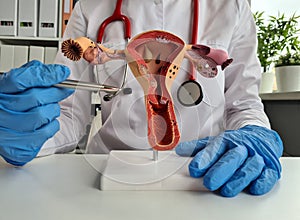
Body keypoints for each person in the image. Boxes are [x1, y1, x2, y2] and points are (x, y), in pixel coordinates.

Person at [0, 0, 283, 197]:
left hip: (203, 173)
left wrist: (253, 132)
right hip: (109, 176)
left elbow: (243, 104)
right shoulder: (91, 7)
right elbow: (68, 112)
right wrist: (31, 132)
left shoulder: (231, 7)